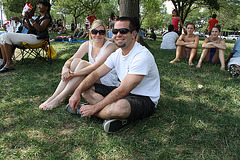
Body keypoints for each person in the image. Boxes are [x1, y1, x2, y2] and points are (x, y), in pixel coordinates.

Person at [67, 17, 160, 133]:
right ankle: (112, 116)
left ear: (133, 34)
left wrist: (94, 108)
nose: (118, 34)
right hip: (124, 92)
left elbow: (122, 91)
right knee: (86, 89)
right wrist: (77, 91)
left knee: (120, 107)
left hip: (144, 98)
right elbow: (95, 74)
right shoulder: (117, 54)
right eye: (115, 31)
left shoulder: (142, 55)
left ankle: (86, 110)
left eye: (124, 31)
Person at [39, 19, 119, 110]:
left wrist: (73, 74)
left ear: (105, 33)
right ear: (90, 33)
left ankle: (61, 98)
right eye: (94, 32)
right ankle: (54, 96)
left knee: (83, 64)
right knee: (76, 61)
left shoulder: (110, 46)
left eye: (101, 32)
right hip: (91, 77)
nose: (98, 35)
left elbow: (96, 66)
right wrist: (65, 68)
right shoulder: (87, 44)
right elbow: (71, 59)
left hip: (106, 81)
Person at [0, 0, 52, 73]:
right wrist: (27, 19)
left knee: (6, 36)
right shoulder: (39, 17)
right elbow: (31, 29)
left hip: (39, 39)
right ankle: (4, 62)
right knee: (2, 36)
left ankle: (9, 63)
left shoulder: (47, 17)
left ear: (46, 7)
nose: (38, 6)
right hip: (33, 36)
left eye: (40, 5)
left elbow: (40, 28)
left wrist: (30, 18)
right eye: (38, 4)